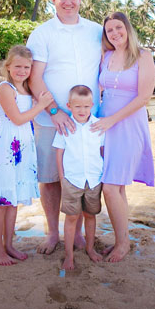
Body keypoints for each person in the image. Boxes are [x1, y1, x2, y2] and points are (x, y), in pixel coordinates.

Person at [27, 0, 103, 254]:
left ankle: (79, 233)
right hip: (51, 120)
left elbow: (119, 56)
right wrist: (55, 111)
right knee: (50, 179)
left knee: (81, 177)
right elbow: (34, 79)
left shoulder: (96, 31)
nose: (68, 2)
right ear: (53, 0)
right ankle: (51, 233)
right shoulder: (42, 34)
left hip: (88, 122)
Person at [90, 12, 155, 262]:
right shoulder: (105, 56)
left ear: (128, 28)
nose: (115, 33)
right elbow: (98, 89)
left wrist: (111, 121)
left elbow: (144, 97)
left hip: (128, 126)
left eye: (119, 27)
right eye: (109, 31)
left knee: (109, 187)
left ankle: (123, 243)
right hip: (105, 125)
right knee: (116, 187)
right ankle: (122, 237)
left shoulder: (143, 56)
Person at [0, 45, 52, 265]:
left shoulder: (27, 89)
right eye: (18, 66)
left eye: (27, 67)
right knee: (0, 200)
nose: (22, 70)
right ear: (8, 66)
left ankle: (9, 245)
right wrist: (42, 105)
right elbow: (18, 119)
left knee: (12, 200)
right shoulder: (5, 88)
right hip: (7, 149)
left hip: (24, 149)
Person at [52, 85, 105, 271]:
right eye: (77, 107)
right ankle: (69, 256)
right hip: (72, 180)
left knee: (90, 215)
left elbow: (102, 151)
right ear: (69, 106)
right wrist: (61, 177)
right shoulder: (65, 127)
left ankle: (90, 249)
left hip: (94, 179)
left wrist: (104, 173)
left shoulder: (98, 126)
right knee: (71, 217)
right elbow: (59, 153)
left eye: (86, 107)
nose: (82, 111)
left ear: (92, 105)